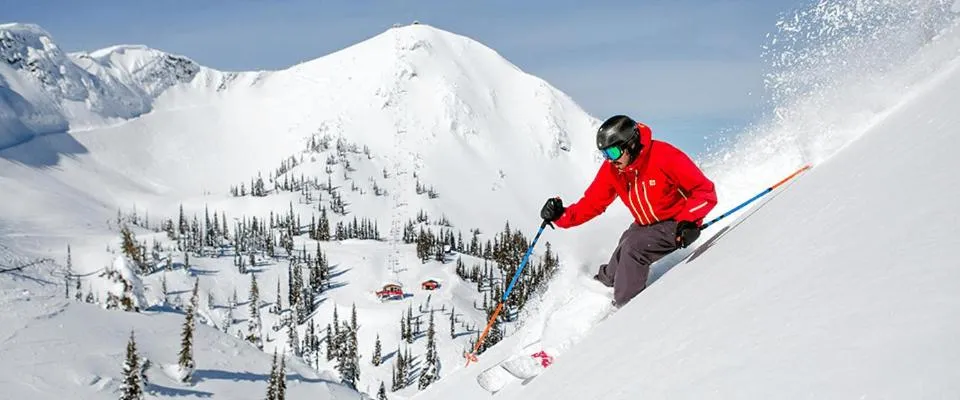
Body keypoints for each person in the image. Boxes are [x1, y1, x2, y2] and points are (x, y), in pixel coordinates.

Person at [540, 115, 718, 307]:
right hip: (644, 225)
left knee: (634, 247)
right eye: (605, 154)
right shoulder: (614, 170)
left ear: (630, 145)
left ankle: (627, 308)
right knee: (626, 242)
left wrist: (688, 221)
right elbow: (592, 202)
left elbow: (705, 192)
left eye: (614, 152)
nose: (610, 160)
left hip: (676, 223)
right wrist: (562, 216)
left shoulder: (664, 156)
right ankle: (604, 285)